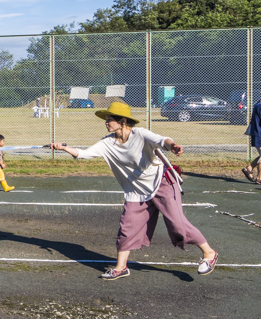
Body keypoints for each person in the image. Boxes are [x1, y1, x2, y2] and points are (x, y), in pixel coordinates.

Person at [51, 101, 218, 281]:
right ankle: (121, 267)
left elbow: (163, 140)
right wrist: (63, 148)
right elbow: (84, 153)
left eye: (109, 120)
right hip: (136, 192)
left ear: (122, 121)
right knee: (127, 227)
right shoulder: (107, 143)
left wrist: (173, 146)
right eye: (106, 120)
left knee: (177, 225)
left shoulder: (140, 134)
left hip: (161, 183)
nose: (106, 123)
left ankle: (209, 253)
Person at [243, 97, 261, 184]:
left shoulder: (257, 105)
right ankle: (259, 178)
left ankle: (249, 168)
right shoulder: (260, 106)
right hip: (259, 135)